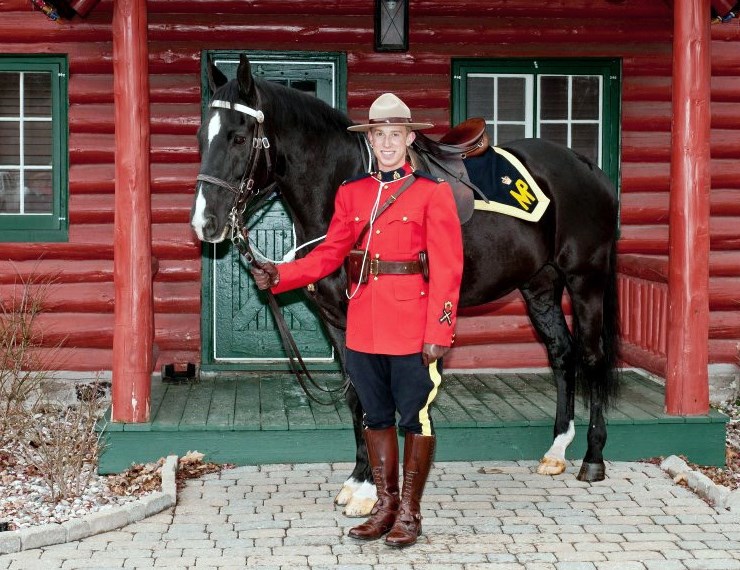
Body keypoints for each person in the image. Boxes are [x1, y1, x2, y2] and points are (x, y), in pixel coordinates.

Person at [250, 93, 464, 548]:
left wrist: (439, 332)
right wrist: (281, 274)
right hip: (363, 324)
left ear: (408, 139)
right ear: (371, 141)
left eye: (395, 135)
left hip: (412, 326)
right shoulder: (353, 194)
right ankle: (385, 507)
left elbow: (448, 269)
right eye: (379, 136)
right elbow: (328, 255)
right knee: (376, 415)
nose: (387, 144)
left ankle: (410, 512)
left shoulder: (432, 193)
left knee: (415, 419)